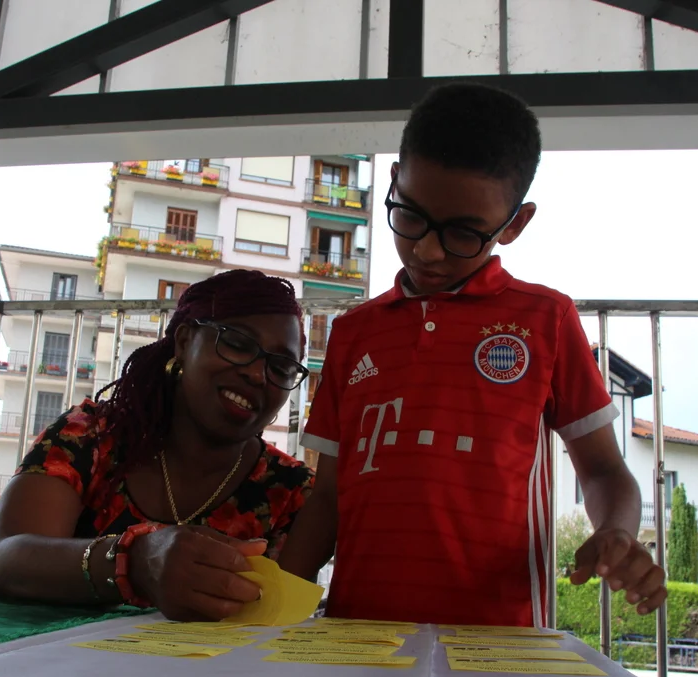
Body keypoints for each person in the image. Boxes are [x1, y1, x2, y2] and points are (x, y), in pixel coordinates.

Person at [279, 83, 668, 627]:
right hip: (358, 635)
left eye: (463, 233)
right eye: (409, 216)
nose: (427, 250)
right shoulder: (353, 333)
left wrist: (616, 531)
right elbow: (327, 500)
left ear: (515, 224)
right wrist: (270, 617)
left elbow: (604, 470)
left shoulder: (546, 320)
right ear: (393, 182)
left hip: (497, 643)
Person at [0, 270, 314, 621]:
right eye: (237, 343)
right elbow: (0, 564)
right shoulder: (88, 436)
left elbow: (279, 624)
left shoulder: (292, 494)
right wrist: (132, 562)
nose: (258, 374)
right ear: (184, 342)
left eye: (282, 367)